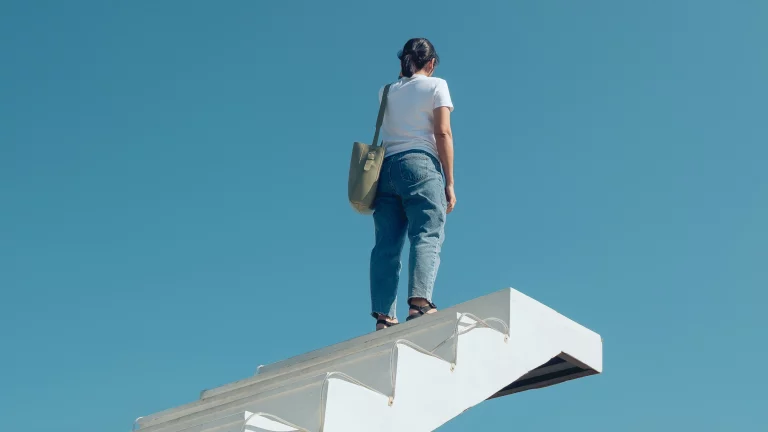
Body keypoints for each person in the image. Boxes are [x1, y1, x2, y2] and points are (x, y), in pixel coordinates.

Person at [370, 38, 456, 331]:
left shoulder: (385, 92)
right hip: (420, 165)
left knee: (386, 245)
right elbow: (442, 133)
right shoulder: (437, 85)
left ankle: (384, 316)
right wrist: (449, 182)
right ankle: (419, 305)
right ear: (431, 63)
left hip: (385, 171)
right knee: (427, 232)